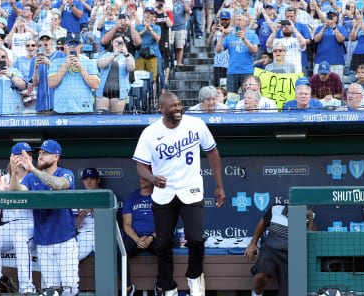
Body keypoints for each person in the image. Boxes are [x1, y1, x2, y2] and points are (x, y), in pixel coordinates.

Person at [133, 92, 225, 296]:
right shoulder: (150, 132)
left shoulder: (196, 124)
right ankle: (168, 287)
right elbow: (140, 166)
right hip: (164, 193)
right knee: (163, 243)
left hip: (190, 189)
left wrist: (219, 185)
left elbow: (212, 152)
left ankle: (194, 277)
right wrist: (152, 178)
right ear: (162, 109)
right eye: (173, 106)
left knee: (195, 239)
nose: (178, 108)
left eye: (179, 104)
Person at [9, 140, 79, 296]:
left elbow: (59, 185)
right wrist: (14, 173)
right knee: (50, 291)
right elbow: (17, 191)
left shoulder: (65, 173)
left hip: (65, 240)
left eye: (45, 153)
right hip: (43, 242)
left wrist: (32, 169)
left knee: (70, 289)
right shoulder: (29, 179)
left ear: (56, 157)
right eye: (39, 153)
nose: (40, 156)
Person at [0, 142, 36, 294]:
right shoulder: (2, 180)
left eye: (29, 155)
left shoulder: (35, 178)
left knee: (19, 238)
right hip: (8, 224)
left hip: (31, 225)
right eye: (23, 155)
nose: (27, 158)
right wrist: (0, 195)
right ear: (13, 158)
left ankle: (27, 288)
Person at [243, 203, 315, 296]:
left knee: (288, 292)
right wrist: (253, 243)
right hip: (271, 251)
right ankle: (257, 292)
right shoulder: (276, 209)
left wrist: (310, 221)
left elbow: (309, 239)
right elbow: (262, 224)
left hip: (292, 257)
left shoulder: (308, 214)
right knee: (260, 276)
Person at [121, 175, 157, 295]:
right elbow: (126, 224)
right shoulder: (131, 198)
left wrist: (151, 238)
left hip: (154, 237)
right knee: (121, 251)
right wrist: (137, 240)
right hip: (135, 238)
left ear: (152, 179)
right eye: (141, 177)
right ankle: (127, 288)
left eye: (145, 178)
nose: (142, 180)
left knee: (165, 248)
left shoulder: (160, 197)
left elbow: (165, 224)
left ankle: (161, 287)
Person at [48, 34, 100, 114]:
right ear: (65, 46)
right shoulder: (56, 62)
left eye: (75, 43)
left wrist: (80, 67)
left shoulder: (90, 62)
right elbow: (51, 84)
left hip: (83, 109)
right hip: (61, 108)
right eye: (69, 43)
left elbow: (95, 85)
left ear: (80, 45)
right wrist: (66, 65)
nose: (72, 46)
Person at [216, 13, 259, 93]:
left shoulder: (252, 35)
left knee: (248, 95)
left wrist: (244, 39)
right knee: (232, 97)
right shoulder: (229, 36)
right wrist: (222, 37)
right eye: (236, 20)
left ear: (246, 22)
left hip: (247, 71)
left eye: (240, 20)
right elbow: (218, 50)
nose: (237, 22)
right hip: (232, 71)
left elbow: (254, 50)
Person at [95, 33, 136, 114]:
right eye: (116, 41)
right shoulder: (105, 54)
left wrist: (126, 54)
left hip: (120, 93)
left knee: (117, 119)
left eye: (121, 42)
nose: (119, 44)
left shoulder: (128, 56)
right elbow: (101, 65)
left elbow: (131, 68)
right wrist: (114, 54)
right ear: (111, 43)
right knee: (101, 118)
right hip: (103, 92)